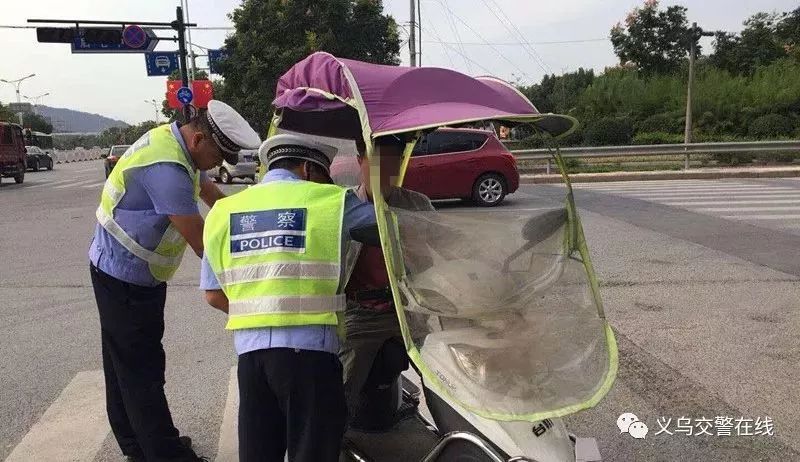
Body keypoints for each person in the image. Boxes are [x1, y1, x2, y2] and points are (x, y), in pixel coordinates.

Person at [89, 100, 260, 462]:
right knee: (142, 370)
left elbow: (217, 199)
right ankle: (164, 454)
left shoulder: (177, 144)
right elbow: (204, 245)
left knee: (122, 363)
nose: (219, 166)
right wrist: (254, 275)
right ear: (199, 138)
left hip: (126, 270)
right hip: (125, 277)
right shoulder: (167, 170)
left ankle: (137, 447)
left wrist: (252, 221)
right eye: (219, 156)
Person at [200, 133, 376, 462]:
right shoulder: (332, 202)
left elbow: (212, 295)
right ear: (309, 169)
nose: (331, 184)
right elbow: (390, 228)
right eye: (327, 177)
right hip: (310, 359)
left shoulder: (224, 211)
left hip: (252, 360)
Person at [339, 135, 435, 425]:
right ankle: (331, 441)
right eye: (376, 163)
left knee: (446, 372)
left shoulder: (417, 206)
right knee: (339, 385)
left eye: (392, 163)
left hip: (409, 310)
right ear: (360, 162)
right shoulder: (342, 207)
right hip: (361, 314)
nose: (384, 172)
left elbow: (436, 260)